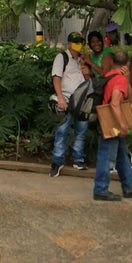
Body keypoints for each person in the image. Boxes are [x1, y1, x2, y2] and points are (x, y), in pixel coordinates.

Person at [93, 50, 132, 201]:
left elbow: (128, 97)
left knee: (122, 155)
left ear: (112, 62)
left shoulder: (110, 76)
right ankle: (100, 190)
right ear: (128, 63)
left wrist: (127, 78)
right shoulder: (119, 80)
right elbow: (115, 103)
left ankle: (129, 188)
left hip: (106, 120)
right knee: (106, 156)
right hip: (112, 123)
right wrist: (123, 125)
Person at [49, 31, 89, 176]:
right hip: (66, 97)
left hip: (82, 99)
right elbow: (56, 78)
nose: (79, 45)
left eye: (80, 42)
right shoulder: (62, 57)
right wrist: (60, 98)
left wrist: (85, 65)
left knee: (81, 130)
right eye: (76, 42)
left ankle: (78, 158)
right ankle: (57, 161)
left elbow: (88, 79)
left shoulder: (82, 59)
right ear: (69, 44)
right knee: (62, 131)